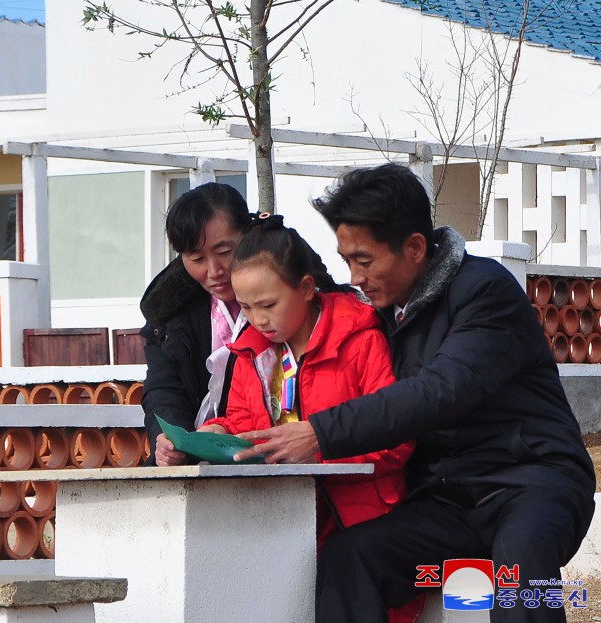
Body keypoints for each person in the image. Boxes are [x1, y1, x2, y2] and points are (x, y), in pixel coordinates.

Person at [233, 164, 596, 623]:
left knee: (520, 575)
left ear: (415, 248)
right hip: (446, 501)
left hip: (534, 483)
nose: (355, 277)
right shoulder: (376, 307)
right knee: (352, 556)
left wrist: (321, 433)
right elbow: (292, 287)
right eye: (346, 261)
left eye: (364, 261)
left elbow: (439, 391)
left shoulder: (486, 293)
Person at [198, 213, 423, 623]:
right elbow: (241, 422)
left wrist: (318, 452)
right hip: (281, 517)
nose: (257, 320)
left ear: (305, 288)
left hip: (358, 517)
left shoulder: (359, 338)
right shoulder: (250, 352)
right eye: (245, 307)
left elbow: (397, 437)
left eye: (268, 305)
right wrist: (216, 433)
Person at [140, 182, 253, 466]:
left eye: (225, 251)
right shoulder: (168, 314)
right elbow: (163, 389)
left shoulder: (285, 303)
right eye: (197, 258)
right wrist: (172, 442)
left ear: (250, 235)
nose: (214, 271)